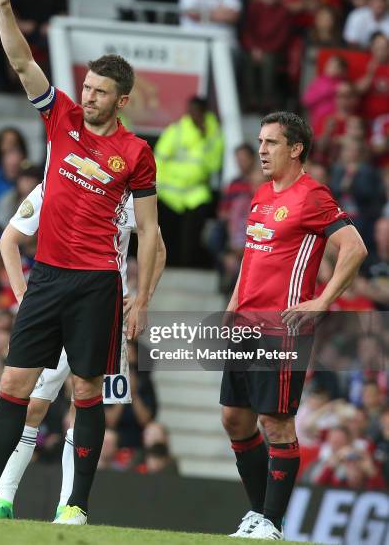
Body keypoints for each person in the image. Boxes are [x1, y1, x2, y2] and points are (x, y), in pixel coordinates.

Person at [0, 0, 159, 526]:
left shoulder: (136, 152)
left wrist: (143, 298)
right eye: (87, 87)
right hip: (48, 276)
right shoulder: (63, 119)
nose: (89, 96)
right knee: (12, 384)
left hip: (98, 282)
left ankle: (75, 506)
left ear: (122, 99)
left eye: (101, 92)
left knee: (85, 392)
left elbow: (149, 233)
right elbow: (22, 62)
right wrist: (4, 10)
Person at [221, 112, 367, 539]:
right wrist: (232, 304)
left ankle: (271, 521)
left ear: (296, 148)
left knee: (276, 422)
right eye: (261, 142)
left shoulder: (313, 196)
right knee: (234, 419)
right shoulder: (262, 195)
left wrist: (322, 301)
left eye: (270, 143)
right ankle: (258, 515)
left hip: (281, 327)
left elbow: (354, 247)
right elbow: (251, 256)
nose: (262, 150)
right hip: (244, 322)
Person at [0, 184, 166, 519]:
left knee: (93, 412)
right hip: (55, 316)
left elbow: (158, 249)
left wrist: (142, 298)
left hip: (105, 320)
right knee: (31, 407)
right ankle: (3, 499)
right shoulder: (52, 185)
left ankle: (69, 507)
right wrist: (25, 300)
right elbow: (9, 239)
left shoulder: (128, 196)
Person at [154, 96, 223, 267]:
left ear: (203, 112)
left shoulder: (213, 133)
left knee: (193, 235)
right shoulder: (176, 130)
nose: (192, 114)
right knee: (169, 234)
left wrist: (205, 137)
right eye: (190, 110)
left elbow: (214, 165)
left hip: (196, 193)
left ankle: (189, 265)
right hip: (170, 193)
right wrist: (156, 185)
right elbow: (158, 159)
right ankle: (168, 264)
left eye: (196, 111)